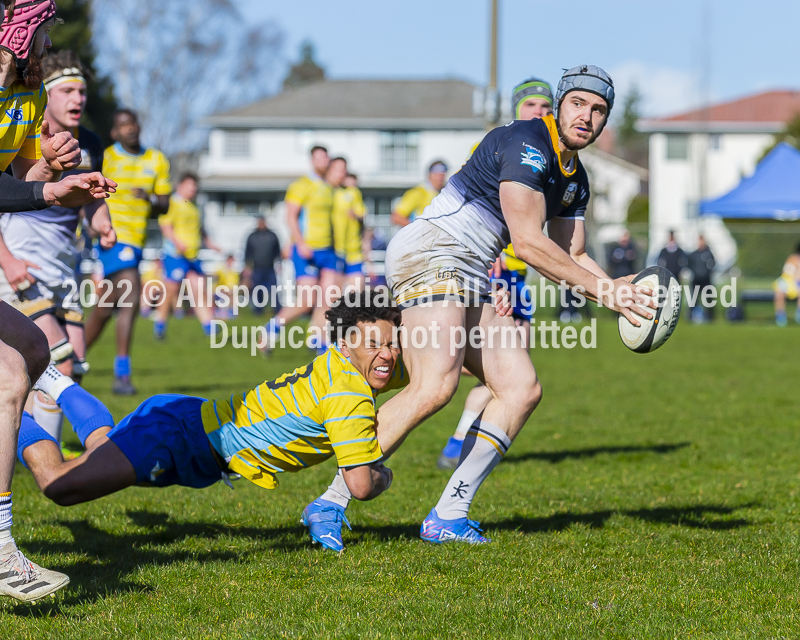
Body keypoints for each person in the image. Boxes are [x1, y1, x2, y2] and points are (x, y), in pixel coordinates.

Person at [303, 65, 654, 550]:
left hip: (470, 269)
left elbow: (571, 254)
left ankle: (448, 514)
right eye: (578, 104)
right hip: (435, 250)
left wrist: (617, 288)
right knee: (435, 385)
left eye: (598, 110)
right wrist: (608, 293)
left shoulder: (575, 179)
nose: (587, 116)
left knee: (520, 388)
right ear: (560, 105)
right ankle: (331, 500)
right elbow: (530, 245)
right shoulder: (529, 142)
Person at [17, 290, 400, 553]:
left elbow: (423, 369)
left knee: (102, 446)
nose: (386, 354)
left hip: (189, 431)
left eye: (392, 343)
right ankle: (11, 408)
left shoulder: (337, 363)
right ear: (346, 345)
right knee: (58, 485)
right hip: (179, 437)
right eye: (374, 343)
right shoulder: (347, 395)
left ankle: (51, 378)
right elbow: (361, 485)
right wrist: (387, 476)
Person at [0, 1, 116, 602]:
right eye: (42, 31)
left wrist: (53, 173)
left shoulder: (22, 104)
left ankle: (1, 548)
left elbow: (14, 182)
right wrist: (48, 183)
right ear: (16, 34)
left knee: (27, 353)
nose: (50, 42)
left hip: (53, 279)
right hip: (19, 274)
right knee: (26, 360)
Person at [0, 51, 115, 456]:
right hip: (24, 262)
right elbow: (14, 192)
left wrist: (100, 217)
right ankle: (44, 461)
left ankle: (26, 441)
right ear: (46, 95)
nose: (77, 99)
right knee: (56, 359)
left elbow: (77, 198)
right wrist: (8, 260)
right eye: (67, 90)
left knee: (74, 366)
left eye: (82, 90)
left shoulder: (92, 144)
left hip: (66, 266)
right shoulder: (24, 128)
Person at [438, 76, 553, 470]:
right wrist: (490, 258)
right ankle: (461, 441)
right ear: (516, 110)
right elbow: (475, 206)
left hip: (520, 273)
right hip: (494, 267)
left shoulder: (549, 155)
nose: (539, 113)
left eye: (545, 107)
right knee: (502, 369)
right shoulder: (497, 143)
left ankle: (466, 439)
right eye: (531, 106)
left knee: (515, 365)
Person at [84, 109, 172, 395]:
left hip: (137, 242)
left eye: (133, 123)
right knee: (131, 294)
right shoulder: (106, 156)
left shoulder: (156, 159)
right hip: (111, 237)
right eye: (123, 125)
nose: (130, 129)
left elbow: (165, 205)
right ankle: (122, 374)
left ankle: (70, 358)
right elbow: (88, 193)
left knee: (105, 307)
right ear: (114, 133)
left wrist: (150, 198)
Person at [264, 151, 343, 353]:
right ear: (312, 160)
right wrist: (299, 242)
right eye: (319, 158)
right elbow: (290, 216)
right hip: (307, 249)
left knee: (329, 299)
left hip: (328, 250)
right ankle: (273, 326)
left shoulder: (329, 188)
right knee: (307, 301)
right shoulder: (301, 185)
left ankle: (318, 341)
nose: (323, 162)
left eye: (326, 158)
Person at [154, 173, 220, 339]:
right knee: (171, 290)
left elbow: (199, 229)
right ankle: (160, 323)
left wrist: (209, 243)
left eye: (195, 186)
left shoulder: (193, 206)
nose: (194, 189)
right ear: (181, 186)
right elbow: (166, 226)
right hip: (175, 254)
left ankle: (209, 326)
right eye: (191, 186)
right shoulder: (172, 204)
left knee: (199, 288)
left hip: (192, 256)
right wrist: (177, 243)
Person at [333, 172, 366, 291]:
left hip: (354, 251)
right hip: (336, 250)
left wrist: (356, 215)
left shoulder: (355, 194)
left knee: (356, 292)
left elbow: (362, 216)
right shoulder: (332, 192)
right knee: (333, 294)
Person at [390, 161, 448, 227]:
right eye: (436, 174)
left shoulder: (445, 194)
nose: (440, 177)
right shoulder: (417, 192)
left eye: (442, 174)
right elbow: (396, 217)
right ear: (429, 175)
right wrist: (418, 230)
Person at [242, 217, 281, 316]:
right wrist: (247, 266)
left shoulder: (272, 235)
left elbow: (277, 251)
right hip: (257, 268)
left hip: (270, 267)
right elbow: (247, 252)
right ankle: (258, 310)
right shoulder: (252, 236)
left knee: (273, 289)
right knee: (257, 290)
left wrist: (279, 262)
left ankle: (277, 309)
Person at [688, 235, 715, 323]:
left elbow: (713, 263)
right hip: (696, 279)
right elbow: (689, 264)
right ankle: (691, 315)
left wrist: (708, 272)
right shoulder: (694, 254)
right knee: (694, 298)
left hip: (706, 279)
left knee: (709, 298)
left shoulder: (708, 253)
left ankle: (710, 316)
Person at [773, 243, 800, 327]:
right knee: (779, 294)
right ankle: (780, 316)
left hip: (796, 283)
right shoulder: (792, 258)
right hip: (788, 282)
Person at [215, 254, 240, 319]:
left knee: (233, 294)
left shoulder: (235, 271)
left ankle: (231, 312)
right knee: (225, 294)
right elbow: (217, 280)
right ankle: (223, 312)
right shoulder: (221, 269)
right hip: (221, 289)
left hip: (231, 290)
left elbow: (235, 283)